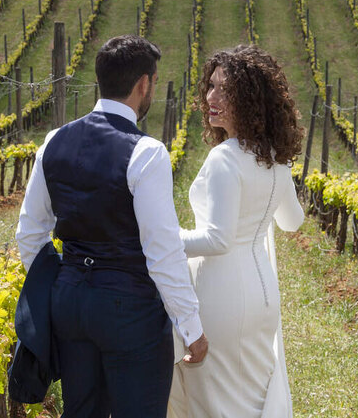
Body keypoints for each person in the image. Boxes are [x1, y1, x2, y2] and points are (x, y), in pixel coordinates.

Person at [15, 35, 208, 418]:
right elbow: (162, 252)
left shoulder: (53, 141)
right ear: (144, 84)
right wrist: (192, 327)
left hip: (69, 303)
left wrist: (63, 284)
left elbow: (30, 234)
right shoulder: (146, 152)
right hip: (129, 309)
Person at [167, 45, 305, 417]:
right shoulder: (276, 159)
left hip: (220, 295)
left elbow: (217, 239)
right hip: (264, 297)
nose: (211, 97)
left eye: (224, 90)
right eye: (210, 86)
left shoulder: (225, 158)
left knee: (215, 402)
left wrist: (161, 239)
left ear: (248, 99)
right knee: (252, 398)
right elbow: (293, 221)